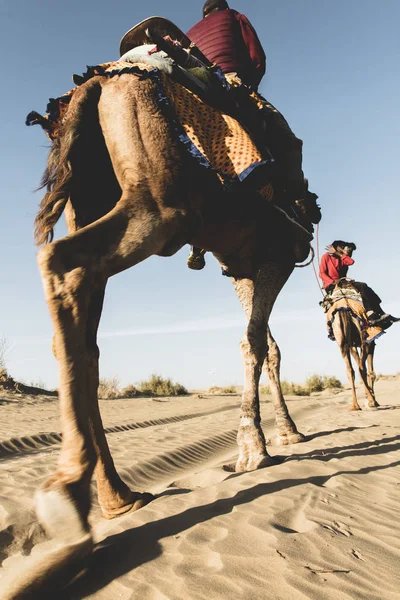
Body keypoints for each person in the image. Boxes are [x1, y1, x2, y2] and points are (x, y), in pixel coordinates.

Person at [186, 0, 320, 270]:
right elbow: (256, 57)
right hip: (227, 79)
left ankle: (196, 243)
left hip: (192, 92)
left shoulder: (189, 32)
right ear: (222, 7)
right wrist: (250, 87)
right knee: (287, 140)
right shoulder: (234, 16)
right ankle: (297, 198)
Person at [319, 241, 399, 327]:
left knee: (364, 287)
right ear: (335, 247)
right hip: (331, 284)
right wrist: (332, 282)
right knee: (361, 286)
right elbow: (322, 273)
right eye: (341, 247)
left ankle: (379, 312)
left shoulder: (341, 259)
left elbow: (351, 262)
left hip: (343, 282)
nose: (343, 249)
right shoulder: (326, 257)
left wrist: (339, 254)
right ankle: (371, 313)